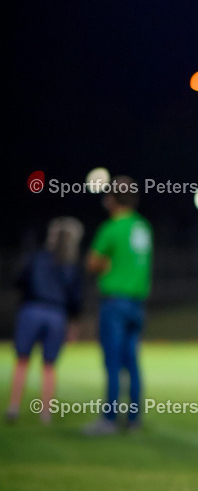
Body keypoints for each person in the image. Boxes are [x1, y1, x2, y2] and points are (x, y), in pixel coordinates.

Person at [84, 177, 153, 435]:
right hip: (137, 303)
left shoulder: (111, 228)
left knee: (112, 362)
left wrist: (107, 265)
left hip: (115, 302)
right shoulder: (143, 227)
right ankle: (134, 419)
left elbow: (92, 263)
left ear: (112, 199)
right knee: (132, 362)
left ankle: (109, 419)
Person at [6, 217, 84, 423]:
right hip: (57, 315)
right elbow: (75, 297)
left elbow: (20, 280)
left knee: (22, 361)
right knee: (49, 366)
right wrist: (73, 322)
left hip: (32, 310)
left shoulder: (36, 257)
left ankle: (13, 407)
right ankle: (45, 412)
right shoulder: (69, 266)